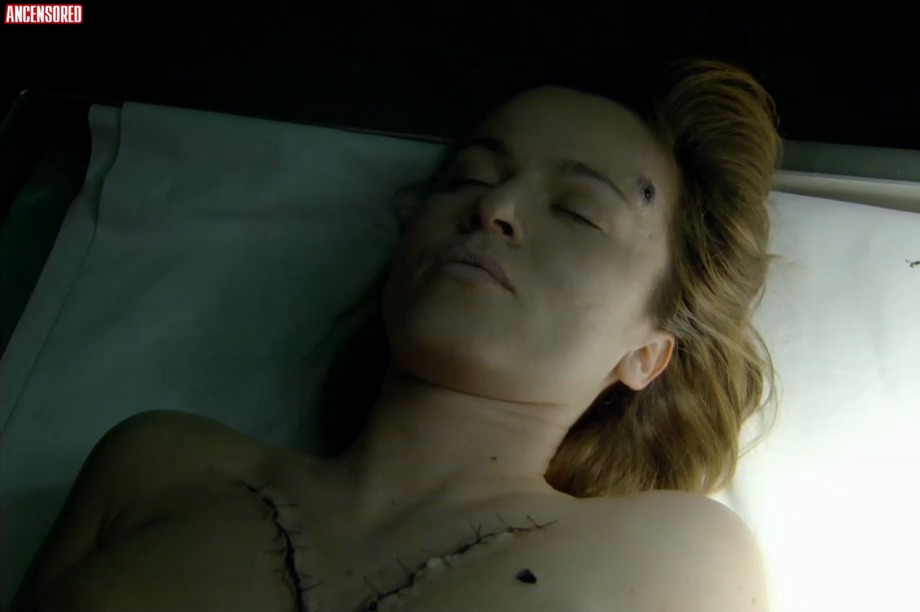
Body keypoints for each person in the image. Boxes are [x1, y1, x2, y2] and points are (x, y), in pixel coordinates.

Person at [12, 58, 780, 612]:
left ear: (646, 354)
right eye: (469, 179)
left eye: (578, 211)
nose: (493, 208)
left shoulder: (678, 552)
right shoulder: (153, 468)